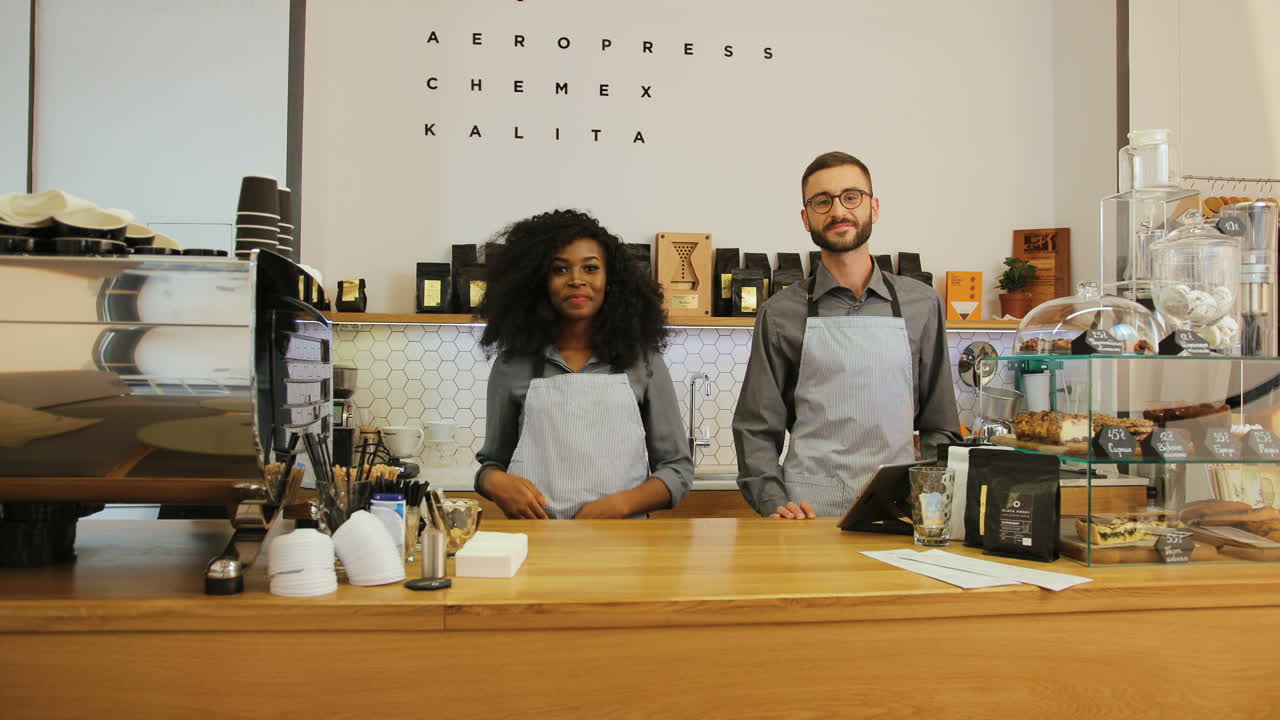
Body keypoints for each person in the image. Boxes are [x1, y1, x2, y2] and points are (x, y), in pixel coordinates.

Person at [732, 151, 961, 519]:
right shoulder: (779, 313)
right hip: (808, 513)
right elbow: (756, 428)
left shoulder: (922, 305)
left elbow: (940, 426)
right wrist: (774, 503)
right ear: (807, 219)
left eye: (851, 197)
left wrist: (929, 500)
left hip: (900, 509)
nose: (838, 210)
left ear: (874, 207)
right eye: (822, 201)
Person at [474, 209, 693, 519]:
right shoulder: (513, 364)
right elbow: (492, 463)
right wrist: (495, 482)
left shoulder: (643, 361)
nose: (577, 280)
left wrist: (620, 506)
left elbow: (677, 469)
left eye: (590, 268)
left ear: (611, 280)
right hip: (538, 544)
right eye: (560, 270)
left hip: (624, 546)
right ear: (537, 282)